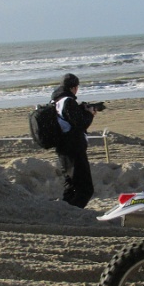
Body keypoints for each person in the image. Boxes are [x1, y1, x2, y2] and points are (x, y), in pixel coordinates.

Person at [51, 73, 98, 209]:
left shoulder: (56, 101)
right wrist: (90, 114)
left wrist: (82, 110)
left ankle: (65, 210)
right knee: (85, 189)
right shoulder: (67, 101)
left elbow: (68, 120)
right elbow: (81, 124)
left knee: (71, 186)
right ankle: (73, 212)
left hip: (63, 148)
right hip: (73, 149)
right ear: (74, 87)